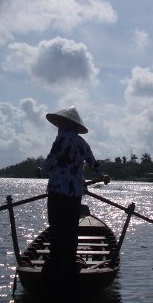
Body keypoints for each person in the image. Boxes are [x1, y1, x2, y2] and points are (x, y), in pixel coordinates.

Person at [40, 106, 109, 265]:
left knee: (57, 225)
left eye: (60, 125)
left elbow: (51, 159)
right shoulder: (82, 143)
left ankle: (56, 259)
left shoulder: (61, 139)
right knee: (71, 226)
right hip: (75, 191)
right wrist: (102, 176)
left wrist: (41, 172)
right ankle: (69, 258)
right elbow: (93, 163)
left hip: (58, 189)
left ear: (64, 124)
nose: (58, 128)